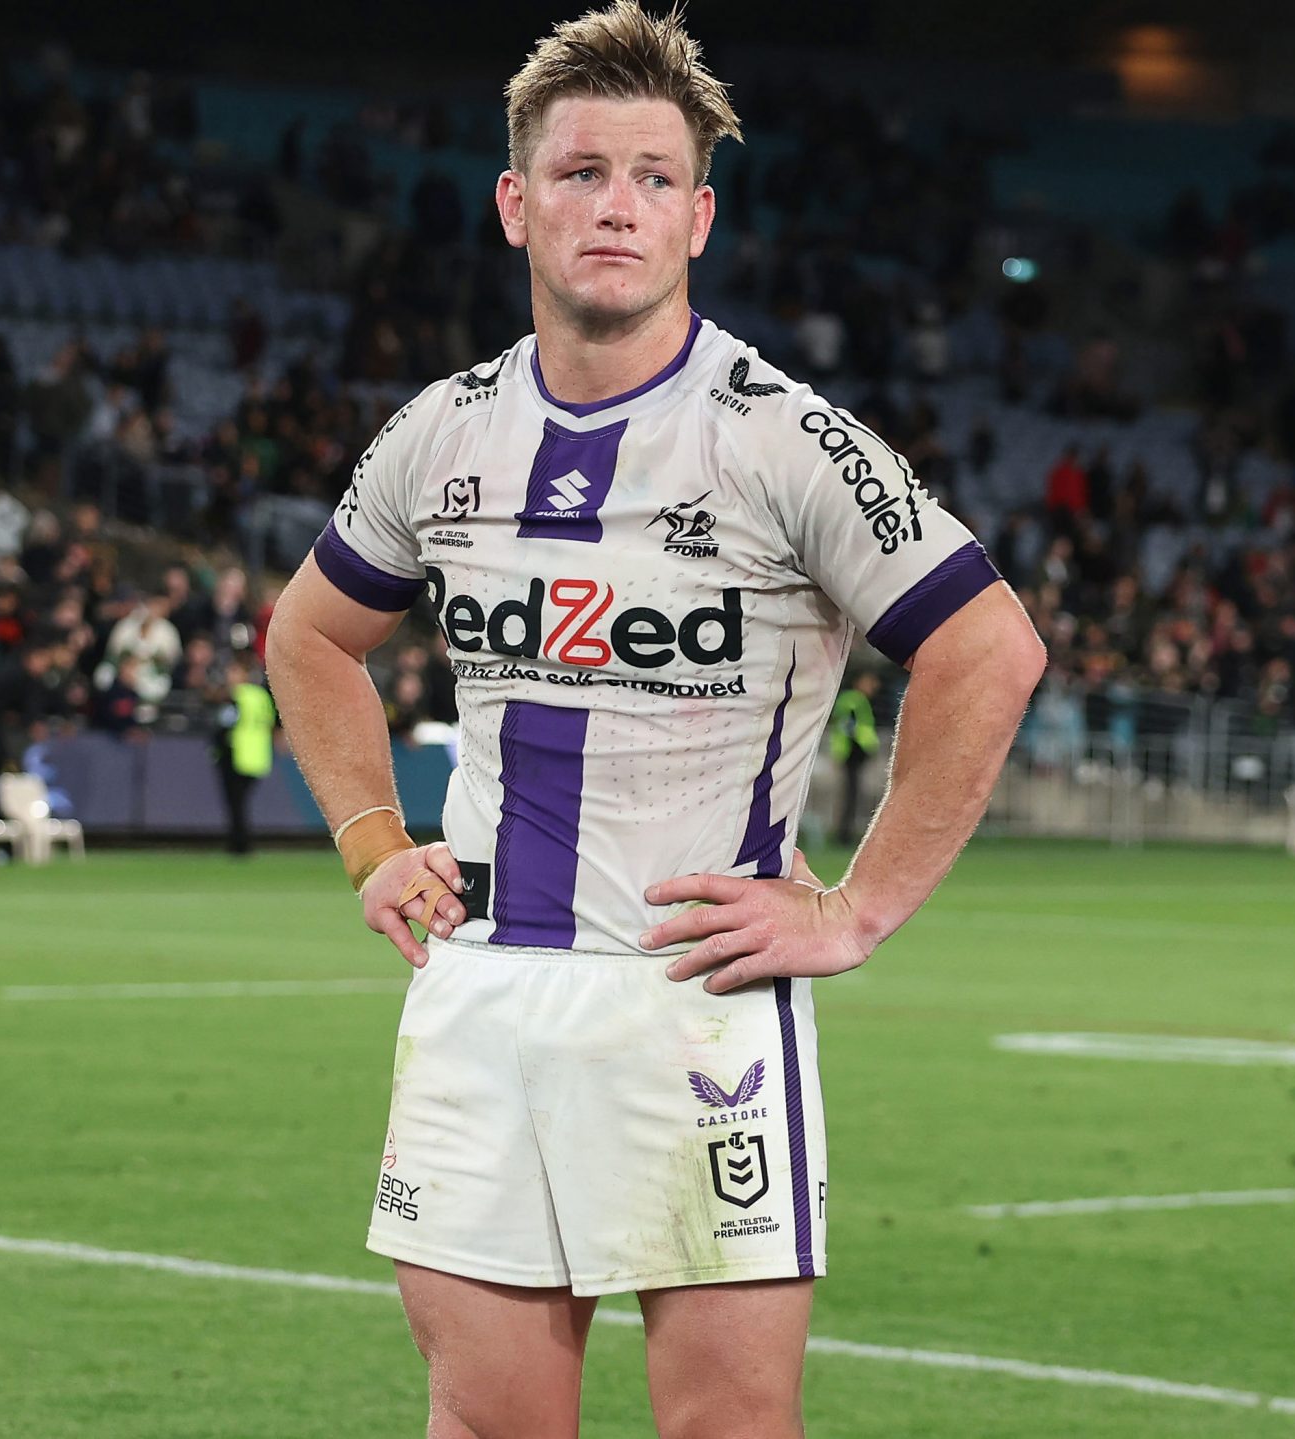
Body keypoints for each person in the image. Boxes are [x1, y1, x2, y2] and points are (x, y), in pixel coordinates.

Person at [261, 7, 1044, 1436]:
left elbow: (990, 648)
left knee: (723, 1428)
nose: (612, 204)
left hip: (696, 1000)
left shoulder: (781, 435)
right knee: (489, 1421)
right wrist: (374, 836)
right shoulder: (441, 431)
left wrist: (858, 908)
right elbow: (310, 633)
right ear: (516, 204)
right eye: (577, 173)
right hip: (485, 990)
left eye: (647, 177)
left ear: (699, 216)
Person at [214, 652, 276, 856]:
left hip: (236, 754)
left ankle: (239, 844)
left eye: (233, 671)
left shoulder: (236, 696)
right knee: (242, 803)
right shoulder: (261, 696)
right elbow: (272, 723)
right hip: (258, 756)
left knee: (236, 804)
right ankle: (242, 841)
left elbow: (225, 723)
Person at [826, 670, 881, 843]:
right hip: (851, 753)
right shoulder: (853, 700)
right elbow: (849, 726)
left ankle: (845, 832)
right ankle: (845, 834)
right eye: (869, 681)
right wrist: (867, 746)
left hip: (852, 753)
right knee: (851, 795)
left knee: (852, 794)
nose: (873, 686)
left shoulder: (854, 699)